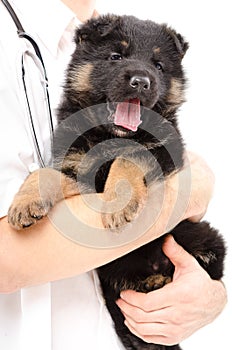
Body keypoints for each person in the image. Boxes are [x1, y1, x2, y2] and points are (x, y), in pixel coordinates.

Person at [0, 0, 227, 349]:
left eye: (157, 64)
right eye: (117, 58)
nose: (141, 75)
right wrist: (192, 190)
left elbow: (174, 162)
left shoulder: (99, 27)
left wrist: (210, 298)